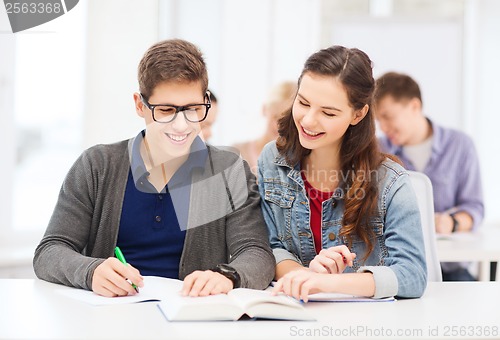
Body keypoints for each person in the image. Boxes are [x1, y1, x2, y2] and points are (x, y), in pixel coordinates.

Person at [33, 39, 275, 297]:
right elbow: (50, 251)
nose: (181, 125)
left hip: (191, 321)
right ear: (140, 105)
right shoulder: (97, 165)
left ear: (205, 101)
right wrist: (91, 271)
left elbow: (257, 253)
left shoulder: (230, 171)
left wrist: (228, 276)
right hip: (109, 320)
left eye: (193, 109)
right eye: (166, 110)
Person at [258, 45, 427, 301]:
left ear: (358, 114)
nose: (308, 121)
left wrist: (330, 283)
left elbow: (412, 275)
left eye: (328, 112)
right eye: (303, 103)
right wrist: (303, 275)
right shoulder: (272, 160)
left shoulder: (390, 182)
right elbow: (270, 247)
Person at [372, 71, 484, 281]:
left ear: (414, 106)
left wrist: (451, 222)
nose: (383, 127)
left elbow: (474, 207)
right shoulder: (377, 150)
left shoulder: (460, 145)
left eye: (387, 117)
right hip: (395, 267)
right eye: (379, 120)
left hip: (450, 269)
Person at [233, 81, 297, 173]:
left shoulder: (297, 162)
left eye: (287, 122)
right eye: (275, 117)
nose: (279, 127)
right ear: (264, 109)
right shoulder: (238, 152)